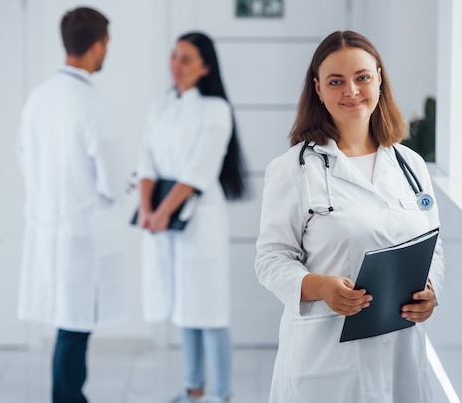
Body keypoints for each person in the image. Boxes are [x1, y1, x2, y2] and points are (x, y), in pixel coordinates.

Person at [254, 30, 445, 403]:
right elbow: (270, 260)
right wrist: (317, 286)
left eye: (362, 78)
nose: (351, 91)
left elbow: (433, 245)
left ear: (379, 79)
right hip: (327, 361)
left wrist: (432, 289)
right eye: (336, 81)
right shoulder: (293, 169)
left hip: (402, 351)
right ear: (319, 90)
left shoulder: (411, 165)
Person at [16, 7, 127, 403]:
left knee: (69, 325)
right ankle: (67, 398)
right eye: (107, 45)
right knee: (74, 328)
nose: (106, 52)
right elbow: (113, 179)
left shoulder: (38, 97)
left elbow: (24, 159)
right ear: (97, 46)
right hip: (81, 234)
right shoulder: (90, 104)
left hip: (47, 227)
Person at [136, 31, 247, 403]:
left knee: (209, 308)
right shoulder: (161, 107)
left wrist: (163, 211)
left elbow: (198, 171)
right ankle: (192, 387)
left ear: (205, 67)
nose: (175, 65)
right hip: (163, 218)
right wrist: (148, 210)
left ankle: (221, 393)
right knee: (184, 305)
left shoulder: (215, 109)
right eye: (173, 56)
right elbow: (146, 161)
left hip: (200, 218)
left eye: (185, 59)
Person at [403, 96, 436, 162]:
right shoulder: (439, 123)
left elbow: (413, 132)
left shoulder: (424, 122)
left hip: (423, 153)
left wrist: (414, 123)